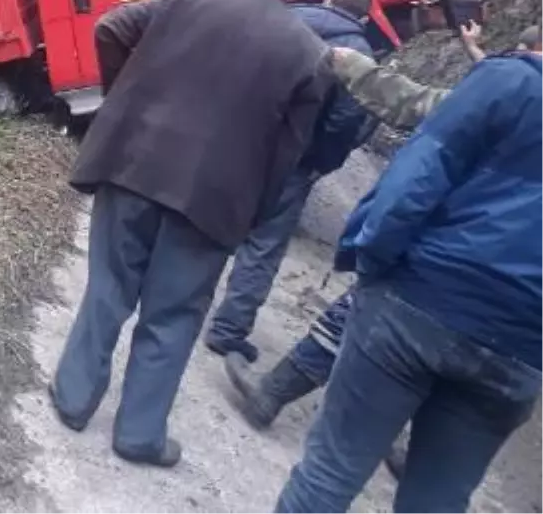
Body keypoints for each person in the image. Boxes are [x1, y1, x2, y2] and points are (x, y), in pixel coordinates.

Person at [50, 0, 332, 468]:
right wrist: (252, 208)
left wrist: (125, 104)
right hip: (213, 201)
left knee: (108, 287)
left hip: (132, 165)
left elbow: (109, 27)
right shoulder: (311, 54)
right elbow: (287, 154)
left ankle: (73, 397)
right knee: (173, 315)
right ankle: (138, 433)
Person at [274, 29, 543, 513]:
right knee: (436, 503)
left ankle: (273, 392)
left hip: (420, 302)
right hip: (521, 349)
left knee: (330, 474)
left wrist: (372, 264)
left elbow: (411, 184)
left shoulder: (507, 82)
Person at [222, 22, 529, 438]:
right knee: (467, 381)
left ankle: (272, 395)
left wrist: (354, 68)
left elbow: (416, 105)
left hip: (454, 263)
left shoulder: (497, 100)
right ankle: (421, 458)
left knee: (359, 311)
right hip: (526, 300)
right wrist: (475, 48)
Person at [204, 0, 377, 363]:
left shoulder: (287, 19)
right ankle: (228, 329)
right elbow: (347, 119)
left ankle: (180, 298)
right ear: (364, 15)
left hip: (240, 141)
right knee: (264, 245)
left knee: (212, 220)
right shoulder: (360, 53)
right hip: (293, 163)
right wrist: (319, 162)